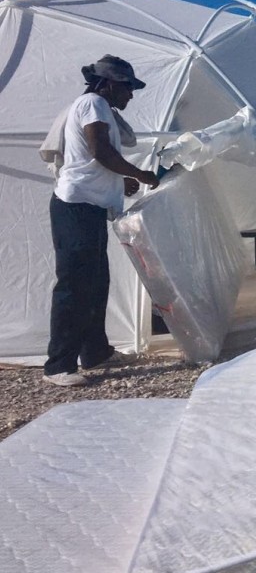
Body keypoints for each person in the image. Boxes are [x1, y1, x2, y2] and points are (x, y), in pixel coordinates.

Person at [42, 55, 161, 387]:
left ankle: (95, 352)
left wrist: (118, 182)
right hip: (75, 206)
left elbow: (90, 159)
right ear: (108, 84)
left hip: (89, 206)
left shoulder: (99, 106)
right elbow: (100, 151)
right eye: (127, 87)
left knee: (96, 283)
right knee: (74, 285)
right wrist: (139, 173)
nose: (131, 95)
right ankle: (58, 366)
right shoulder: (94, 102)